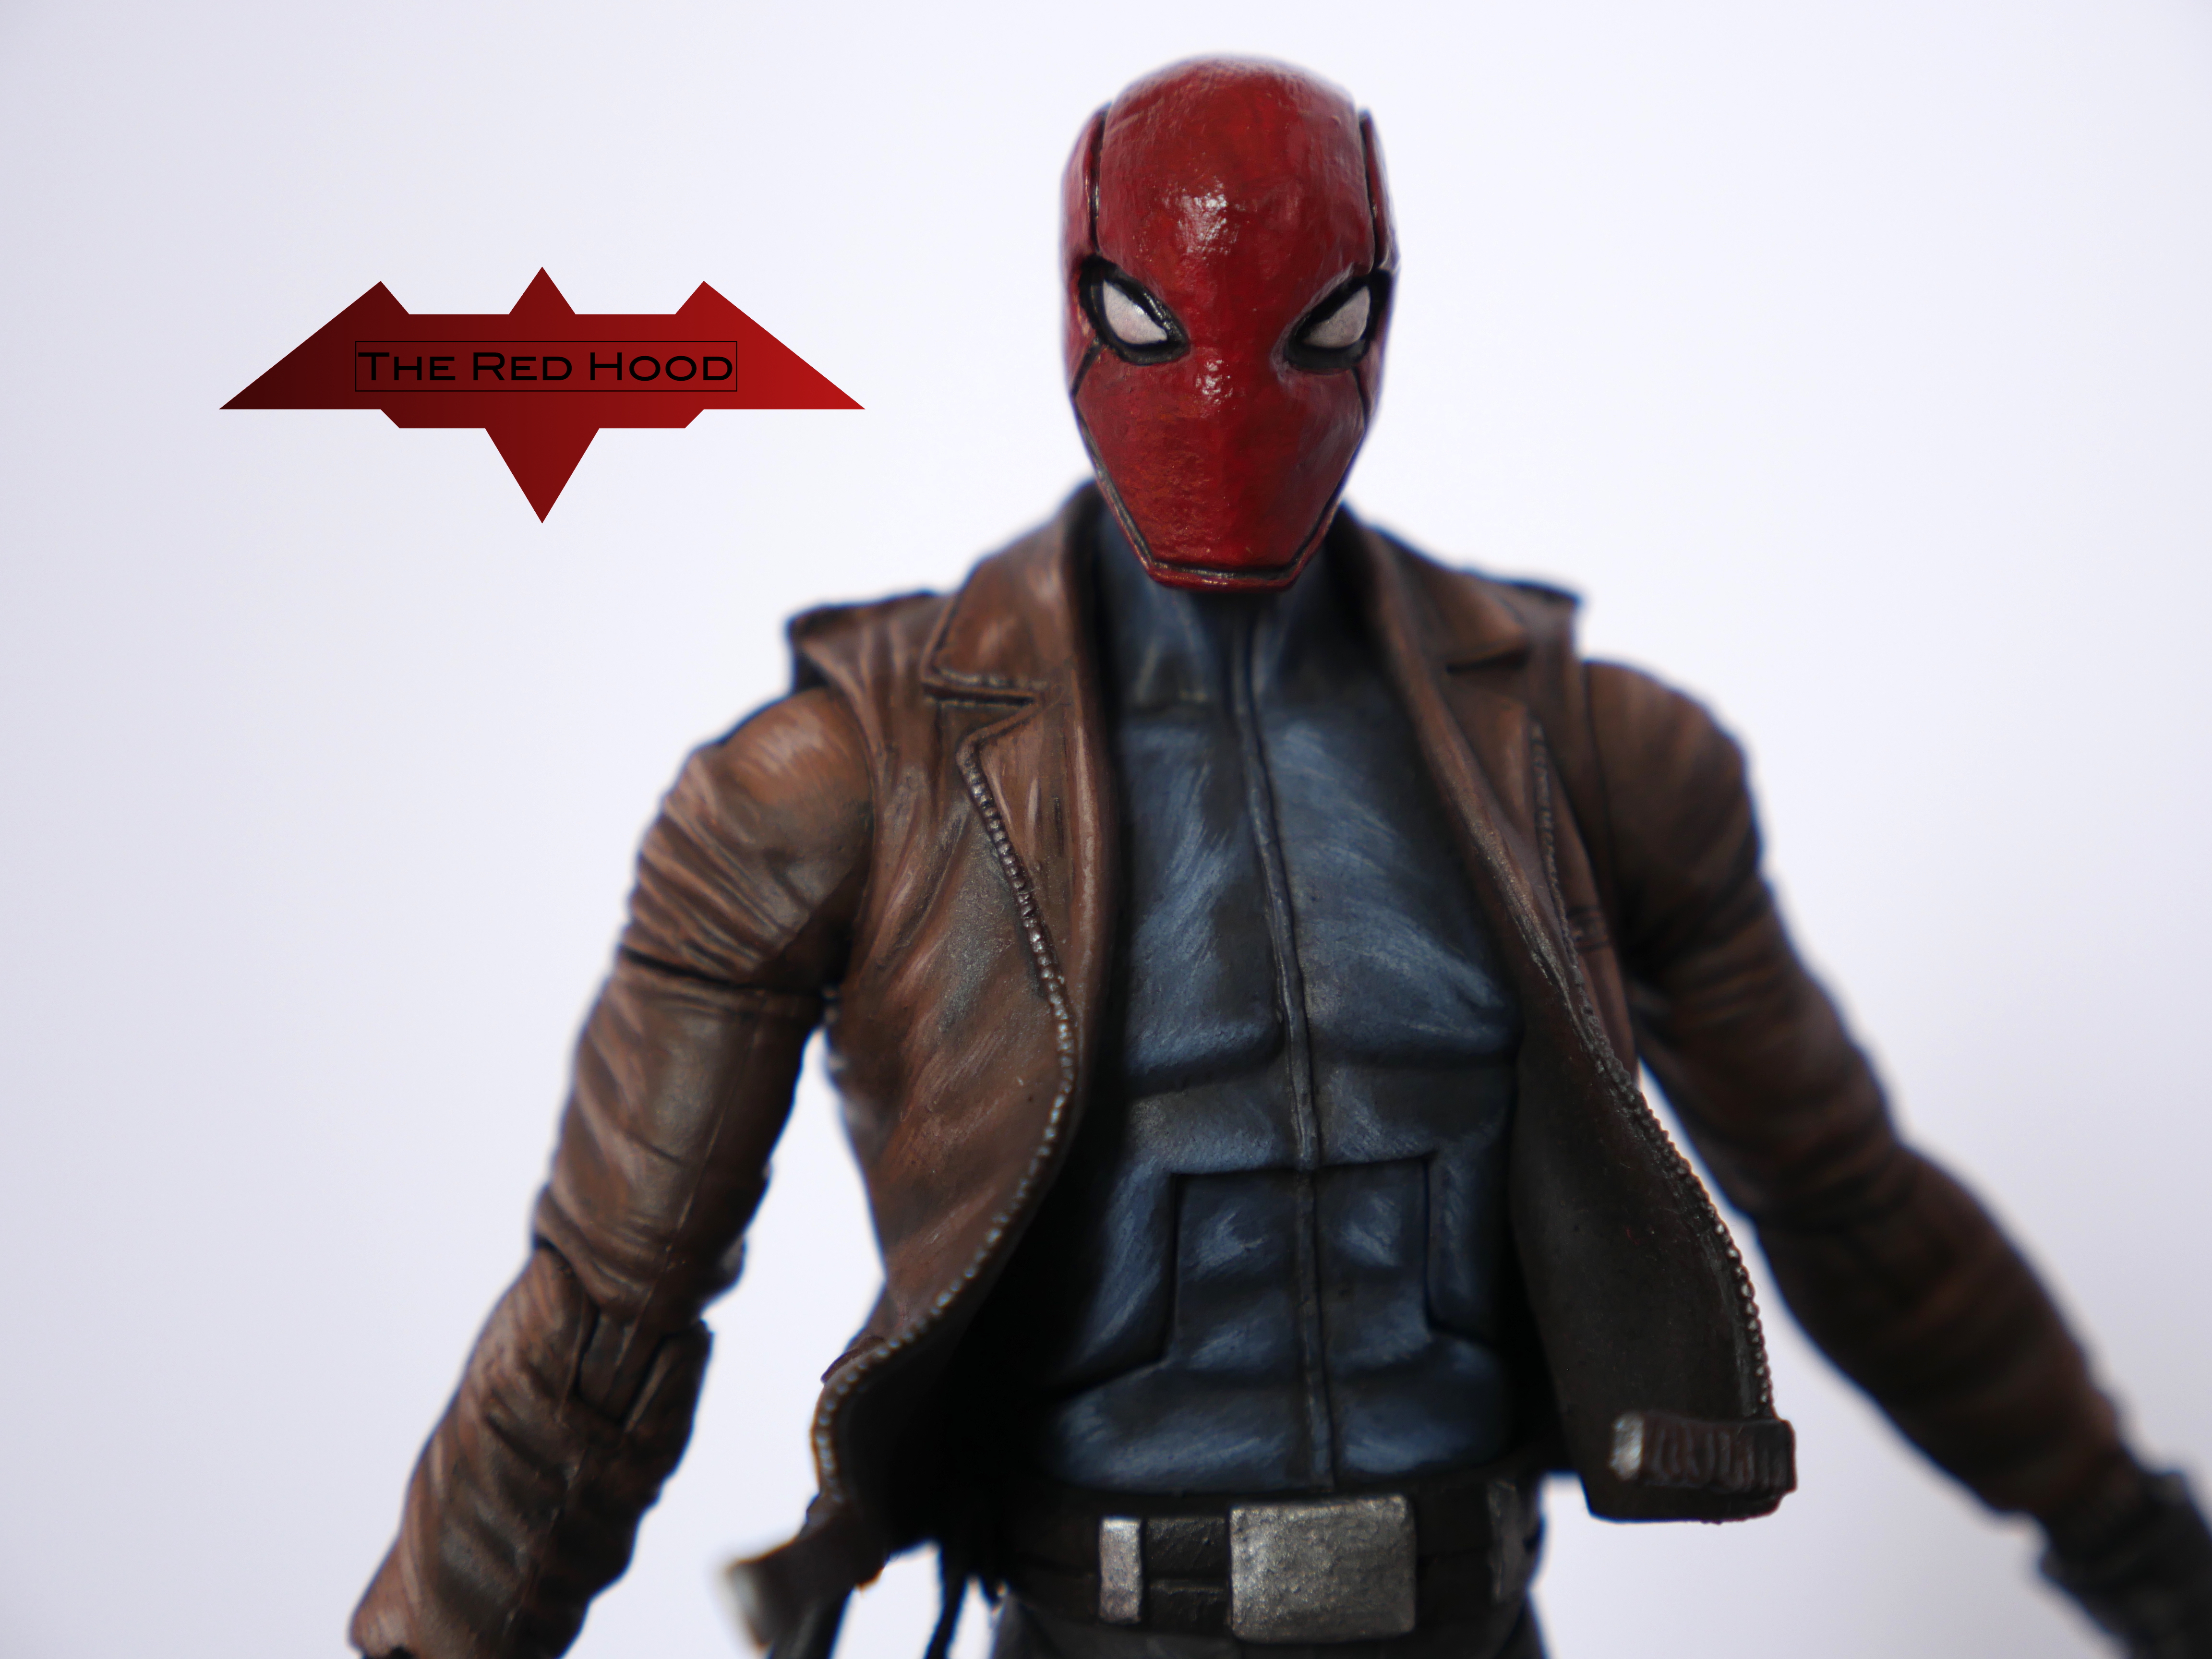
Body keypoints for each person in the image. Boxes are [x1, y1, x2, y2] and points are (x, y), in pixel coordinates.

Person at [350, 57, 2212, 1659]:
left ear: (1381, 315)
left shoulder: (1601, 755)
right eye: (1156, 317)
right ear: (1078, 307)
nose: (1232, 397)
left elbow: (1854, 1209)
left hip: (1470, 1612)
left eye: (1312, 328)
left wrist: (2135, 1545)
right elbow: (604, 1318)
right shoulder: (837, 779)